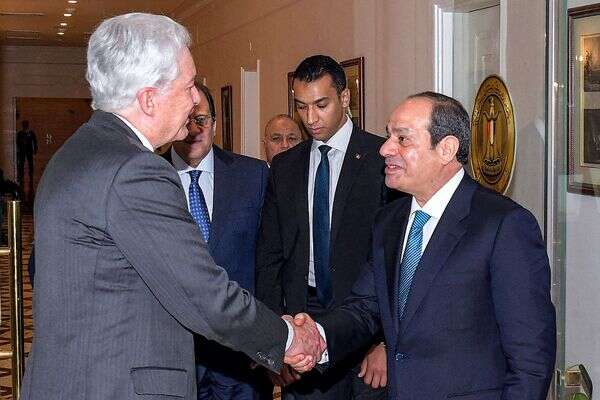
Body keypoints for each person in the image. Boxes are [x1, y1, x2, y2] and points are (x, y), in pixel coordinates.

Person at [21, 13, 324, 400]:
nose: (196, 98)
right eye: (188, 85)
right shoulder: (134, 170)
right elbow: (204, 295)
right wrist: (288, 338)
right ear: (149, 99)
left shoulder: (79, 151)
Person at [302, 91, 556, 399]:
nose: (385, 149)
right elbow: (365, 308)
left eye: (402, 139)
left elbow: (531, 360)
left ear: (446, 149)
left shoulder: (504, 225)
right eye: (388, 136)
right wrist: (314, 337)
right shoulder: (389, 221)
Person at [256, 55, 393, 399]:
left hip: (366, 325)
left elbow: (395, 259)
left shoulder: (382, 160)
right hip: (304, 321)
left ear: (345, 98)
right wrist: (276, 341)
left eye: (321, 105)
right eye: (302, 107)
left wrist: (385, 343)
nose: (311, 118)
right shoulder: (285, 167)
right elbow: (270, 257)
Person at [163, 83, 271, 399]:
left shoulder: (252, 175)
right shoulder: (146, 176)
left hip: (242, 354)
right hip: (174, 352)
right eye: (186, 120)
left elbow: (269, 260)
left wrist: (266, 335)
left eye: (202, 120)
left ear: (215, 124)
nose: (194, 130)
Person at [16, 120, 38, 192]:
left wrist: (35, 149)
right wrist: (18, 150)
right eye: (24, 125)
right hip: (23, 151)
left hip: (28, 150)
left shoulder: (30, 133)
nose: (25, 126)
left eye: (26, 124)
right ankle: (22, 174)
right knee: (22, 163)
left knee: (29, 163)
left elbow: (35, 141)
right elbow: (17, 142)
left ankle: (29, 174)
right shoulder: (21, 134)